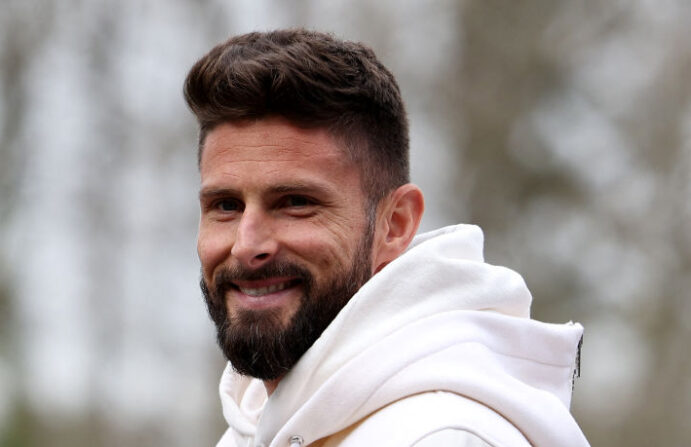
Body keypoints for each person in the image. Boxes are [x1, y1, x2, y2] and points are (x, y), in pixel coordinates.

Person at [184, 29, 589, 447]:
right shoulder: (252, 427)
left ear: (395, 225)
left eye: (295, 202)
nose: (248, 245)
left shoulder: (437, 438)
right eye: (226, 205)